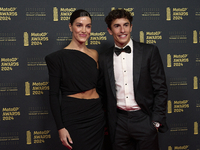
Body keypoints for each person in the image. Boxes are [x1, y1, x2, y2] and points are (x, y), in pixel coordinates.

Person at [98, 9, 168, 150]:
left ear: (131, 27)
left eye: (126, 25)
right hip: (118, 122)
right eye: (117, 26)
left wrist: (155, 122)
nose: (122, 30)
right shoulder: (104, 58)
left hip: (144, 118)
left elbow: (161, 89)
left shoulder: (149, 51)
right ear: (109, 30)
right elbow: (102, 92)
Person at [45, 9, 105, 150]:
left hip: (96, 116)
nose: (84, 30)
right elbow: (53, 95)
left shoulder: (95, 54)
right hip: (74, 116)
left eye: (88, 26)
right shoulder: (56, 58)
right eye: (79, 25)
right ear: (70, 26)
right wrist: (60, 127)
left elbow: (101, 86)